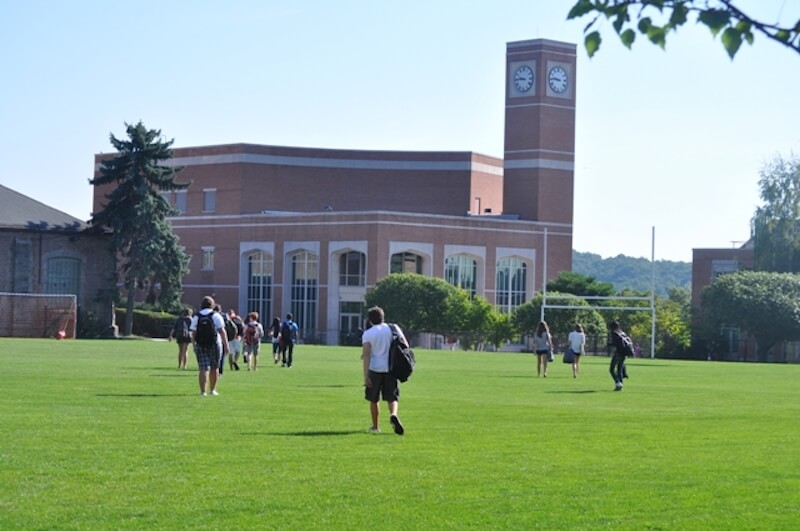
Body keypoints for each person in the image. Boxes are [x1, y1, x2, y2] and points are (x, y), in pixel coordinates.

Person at [361, 306, 406, 435]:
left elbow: (367, 354)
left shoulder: (368, 333)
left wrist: (366, 376)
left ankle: (375, 426)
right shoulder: (394, 328)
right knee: (392, 397)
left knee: (374, 399)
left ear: (370, 320)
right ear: (383, 317)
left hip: (375, 368)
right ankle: (393, 414)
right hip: (391, 368)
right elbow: (405, 345)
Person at [191, 296, 230, 396]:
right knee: (214, 367)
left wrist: (194, 345)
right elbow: (222, 331)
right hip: (214, 343)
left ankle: (203, 391)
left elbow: (193, 333)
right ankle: (212, 390)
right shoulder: (216, 315)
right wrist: (226, 345)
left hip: (200, 344)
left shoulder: (197, 316)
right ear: (212, 305)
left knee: (203, 368)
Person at [608, 320, 630, 391]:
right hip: (624, 353)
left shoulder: (614, 333)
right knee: (619, 368)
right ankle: (620, 385)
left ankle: (618, 382)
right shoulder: (622, 333)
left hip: (618, 353)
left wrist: (609, 344)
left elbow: (614, 344)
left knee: (611, 369)